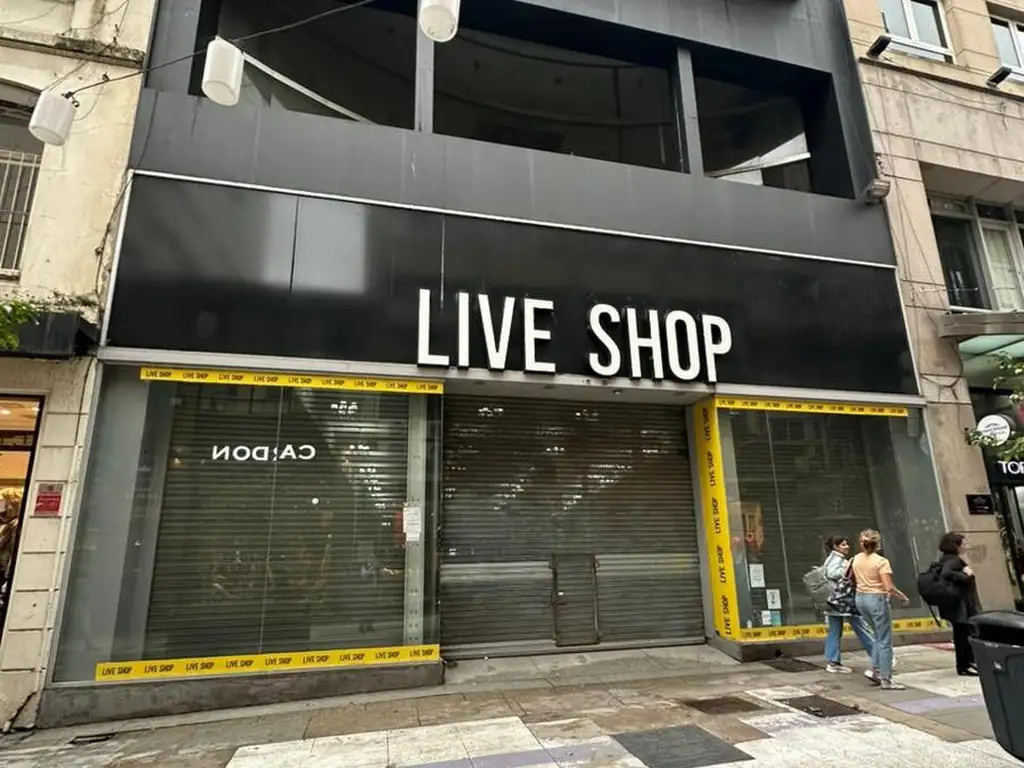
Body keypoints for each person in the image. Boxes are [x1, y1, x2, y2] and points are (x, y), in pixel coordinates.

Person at [853, 529, 910, 690]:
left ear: (862, 543)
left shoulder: (856, 559)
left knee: (877, 635)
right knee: (884, 640)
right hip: (876, 599)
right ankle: (885, 678)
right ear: (878, 544)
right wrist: (903, 597)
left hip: (860, 598)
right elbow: (888, 587)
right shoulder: (881, 561)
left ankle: (875, 669)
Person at [821, 536, 876, 675]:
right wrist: (849, 569)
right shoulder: (837, 559)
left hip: (834, 601)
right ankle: (879, 657)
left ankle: (833, 662)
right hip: (843, 601)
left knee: (835, 631)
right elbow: (832, 573)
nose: (847, 547)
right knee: (861, 628)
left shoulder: (831, 558)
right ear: (836, 546)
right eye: (843, 544)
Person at [936, 532, 981, 676]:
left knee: (960, 633)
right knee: (964, 634)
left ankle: (964, 665)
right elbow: (947, 574)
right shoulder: (953, 560)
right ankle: (965, 664)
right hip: (961, 604)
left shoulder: (946, 559)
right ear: (956, 545)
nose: (966, 546)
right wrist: (967, 575)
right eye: (964, 543)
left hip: (956, 604)